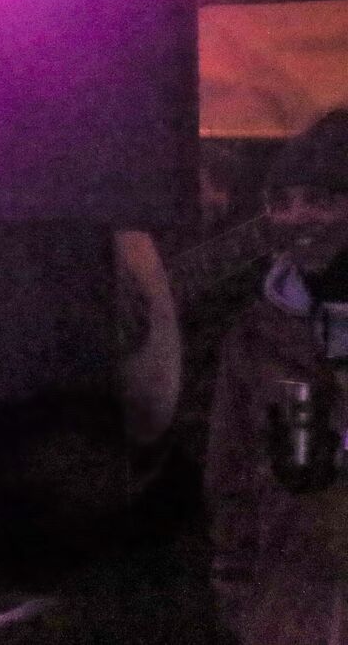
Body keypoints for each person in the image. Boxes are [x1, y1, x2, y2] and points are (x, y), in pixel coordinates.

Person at [207, 108, 348, 645]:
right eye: (282, 202)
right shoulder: (259, 331)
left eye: (321, 199)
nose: (298, 217)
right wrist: (236, 585)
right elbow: (230, 470)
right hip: (289, 595)